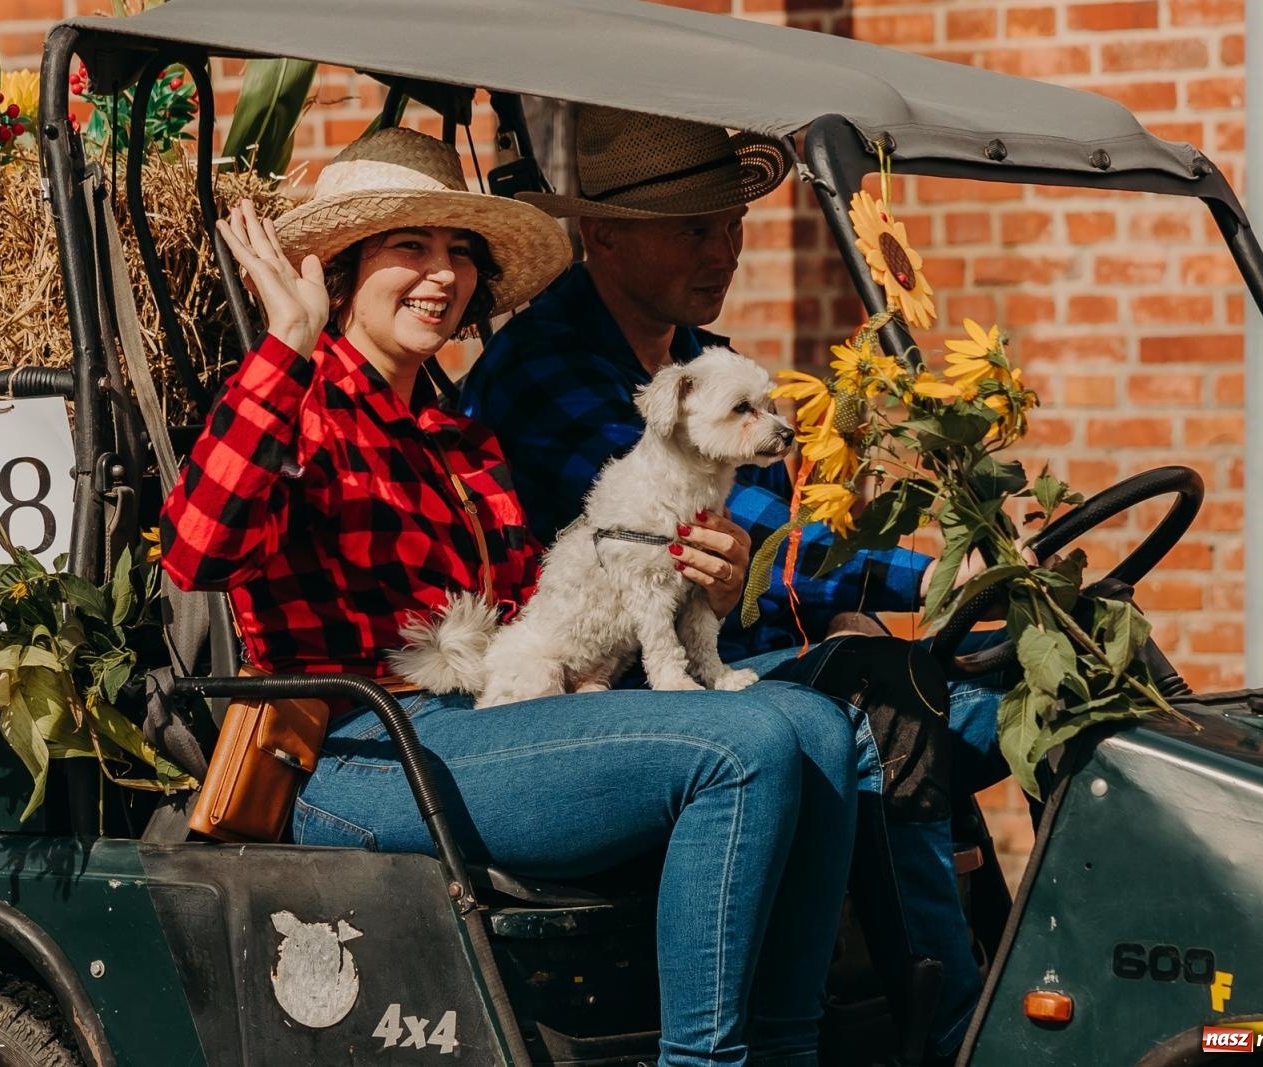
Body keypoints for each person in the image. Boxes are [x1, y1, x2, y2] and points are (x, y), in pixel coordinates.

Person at [160, 127, 862, 1066]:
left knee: (818, 721)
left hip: (493, 710)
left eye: (459, 253)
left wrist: (709, 584)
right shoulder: (299, 405)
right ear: (340, 272)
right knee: (744, 745)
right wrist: (288, 341)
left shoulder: (460, 432)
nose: (440, 276)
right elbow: (197, 550)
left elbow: (547, 603)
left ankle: (790, 1052)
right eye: (409, 248)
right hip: (358, 749)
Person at [462, 105, 1005, 1057]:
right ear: (603, 234)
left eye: (731, 225)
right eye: (693, 229)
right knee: (893, 708)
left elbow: (776, 527)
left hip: (714, 660)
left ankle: (995, 987)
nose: (726, 251)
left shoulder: (692, 360)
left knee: (989, 691)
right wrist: (928, 575)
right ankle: (953, 1034)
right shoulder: (550, 370)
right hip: (612, 684)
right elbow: (722, 534)